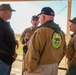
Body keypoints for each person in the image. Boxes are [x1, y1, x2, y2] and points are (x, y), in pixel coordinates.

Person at [25, 7, 66, 75]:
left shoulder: (40, 32)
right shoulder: (61, 33)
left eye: (40, 17)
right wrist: (55, 64)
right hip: (54, 67)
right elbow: (64, 51)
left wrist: (29, 70)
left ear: (43, 17)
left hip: (40, 69)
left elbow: (33, 53)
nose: (40, 19)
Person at [0, 4, 19, 75]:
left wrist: (14, 41)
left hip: (6, 60)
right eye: (9, 11)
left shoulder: (4, 24)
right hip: (2, 60)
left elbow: (6, 37)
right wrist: (12, 53)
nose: (11, 13)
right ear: (3, 12)